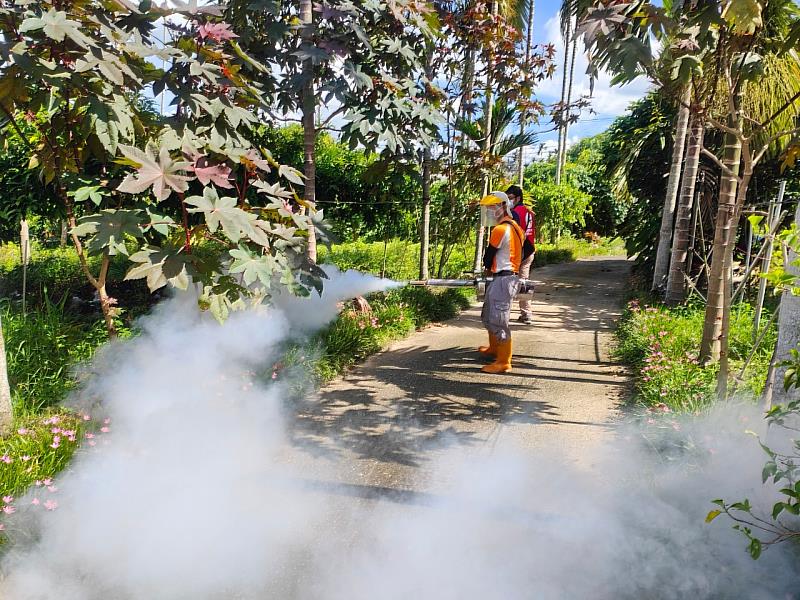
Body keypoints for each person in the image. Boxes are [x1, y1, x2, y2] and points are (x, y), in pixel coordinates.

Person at [477, 191, 532, 374]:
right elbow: (529, 249)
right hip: (505, 276)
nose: (490, 212)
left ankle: (503, 361)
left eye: (492, 208)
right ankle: (494, 349)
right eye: (488, 209)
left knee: (499, 319)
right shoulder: (515, 227)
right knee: (489, 315)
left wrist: (486, 269)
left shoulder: (500, 229)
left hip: (504, 278)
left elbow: (488, 256)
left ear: (503, 206)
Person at [506, 185, 536, 324]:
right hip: (529, 250)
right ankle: (526, 314)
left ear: (518, 198)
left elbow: (515, 234)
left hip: (519, 251)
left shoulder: (515, 212)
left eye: (510, 198)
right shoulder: (529, 212)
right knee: (523, 282)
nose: (509, 201)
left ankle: (504, 312)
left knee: (508, 282)